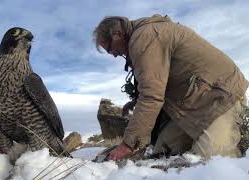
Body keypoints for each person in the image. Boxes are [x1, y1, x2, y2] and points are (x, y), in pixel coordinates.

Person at [93, 14, 248, 160]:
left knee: (210, 164)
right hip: (193, 103)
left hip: (220, 97)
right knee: (161, 153)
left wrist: (127, 145)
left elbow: (152, 96)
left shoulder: (145, 38)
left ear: (117, 34)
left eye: (109, 49)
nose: (113, 54)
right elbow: (157, 81)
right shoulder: (144, 36)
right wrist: (135, 102)